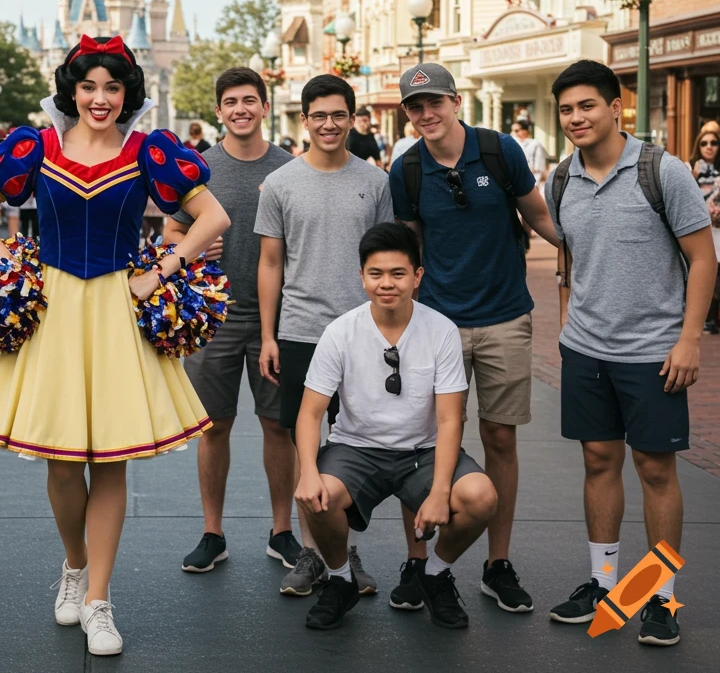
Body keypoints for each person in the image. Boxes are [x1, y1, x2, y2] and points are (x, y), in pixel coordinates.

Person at [0, 35, 230, 656]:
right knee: (60, 459)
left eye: (112, 87)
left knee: (110, 459)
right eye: (89, 87)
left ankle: (100, 600)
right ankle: (75, 565)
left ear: (126, 93)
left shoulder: (148, 150)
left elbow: (213, 217)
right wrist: (8, 265)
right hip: (53, 310)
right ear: (72, 92)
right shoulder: (38, 146)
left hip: (115, 310)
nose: (100, 98)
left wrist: (159, 272)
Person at [545, 60, 714, 647]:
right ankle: (605, 585)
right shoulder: (560, 179)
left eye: (587, 106)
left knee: (654, 469)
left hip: (653, 351)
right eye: (566, 109)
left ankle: (659, 595)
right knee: (598, 462)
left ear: (616, 107)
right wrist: (568, 322)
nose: (576, 118)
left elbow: (704, 258)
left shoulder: (661, 171)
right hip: (586, 350)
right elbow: (570, 259)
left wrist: (689, 337)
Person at [390, 62, 560, 615]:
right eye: (415, 107)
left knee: (501, 440)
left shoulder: (497, 151)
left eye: (434, 102)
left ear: (456, 101)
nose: (426, 114)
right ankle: (418, 563)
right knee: (422, 443)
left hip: (505, 317)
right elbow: (411, 251)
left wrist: (588, 253)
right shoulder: (408, 170)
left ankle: (497, 563)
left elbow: (542, 221)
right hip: (437, 324)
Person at [294, 224, 498, 631]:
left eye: (398, 274)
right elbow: (310, 413)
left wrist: (440, 492)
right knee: (316, 496)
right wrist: (308, 472)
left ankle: (435, 573)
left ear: (418, 276)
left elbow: (448, 418)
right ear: (362, 276)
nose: (386, 284)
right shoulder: (340, 332)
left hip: (422, 453)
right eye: (376, 274)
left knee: (481, 497)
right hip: (356, 449)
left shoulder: (440, 330)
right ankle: (340, 580)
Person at [255, 74, 392, 598]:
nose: (329, 125)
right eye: (319, 115)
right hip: (301, 332)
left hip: (365, 334)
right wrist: (269, 336)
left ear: (352, 119)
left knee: (355, 444)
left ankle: (344, 551)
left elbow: (387, 262)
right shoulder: (283, 184)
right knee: (304, 445)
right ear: (304, 120)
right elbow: (271, 264)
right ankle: (314, 555)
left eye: (339, 115)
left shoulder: (375, 183)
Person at [163, 67, 295, 576]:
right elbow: (171, 233)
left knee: (277, 427)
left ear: (264, 107)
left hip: (275, 321)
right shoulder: (197, 168)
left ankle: (281, 531)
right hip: (211, 316)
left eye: (250, 100)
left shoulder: (288, 168)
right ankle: (212, 533)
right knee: (214, 427)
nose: (241, 109)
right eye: (231, 102)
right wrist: (188, 246)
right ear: (219, 111)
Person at [689, 121, 720, 334]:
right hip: (700, 231)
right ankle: (704, 318)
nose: (709, 146)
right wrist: (693, 175)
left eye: (714, 142)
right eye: (704, 143)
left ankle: (714, 318)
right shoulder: (689, 169)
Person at [511, 119, 548, 186]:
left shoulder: (535, 144)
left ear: (525, 130)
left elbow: (539, 167)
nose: (513, 133)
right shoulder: (512, 144)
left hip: (532, 183)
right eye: (513, 131)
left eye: (516, 131)